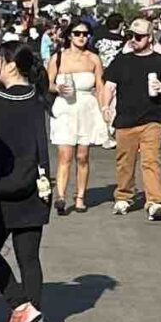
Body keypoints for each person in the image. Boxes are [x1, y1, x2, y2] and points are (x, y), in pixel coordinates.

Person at [0, 36, 53, 322]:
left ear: (8, 64)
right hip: (36, 184)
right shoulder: (37, 97)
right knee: (29, 257)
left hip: (1, 186)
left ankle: (19, 304)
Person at [101, 16, 161, 219]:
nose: (135, 39)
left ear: (150, 38)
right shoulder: (121, 60)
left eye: (140, 36)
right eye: (132, 36)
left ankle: (155, 201)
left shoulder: (160, 61)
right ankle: (124, 196)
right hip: (125, 119)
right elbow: (109, 84)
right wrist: (105, 106)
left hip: (152, 118)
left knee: (150, 160)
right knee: (125, 161)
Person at [46, 20, 109, 211]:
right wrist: (57, 87)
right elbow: (47, 84)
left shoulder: (93, 59)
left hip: (86, 107)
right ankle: (61, 197)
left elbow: (100, 86)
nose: (81, 37)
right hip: (65, 107)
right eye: (77, 33)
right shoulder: (58, 57)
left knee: (82, 156)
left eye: (85, 34)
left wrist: (104, 108)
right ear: (69, 35)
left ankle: (80, 197)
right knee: (65, 155)